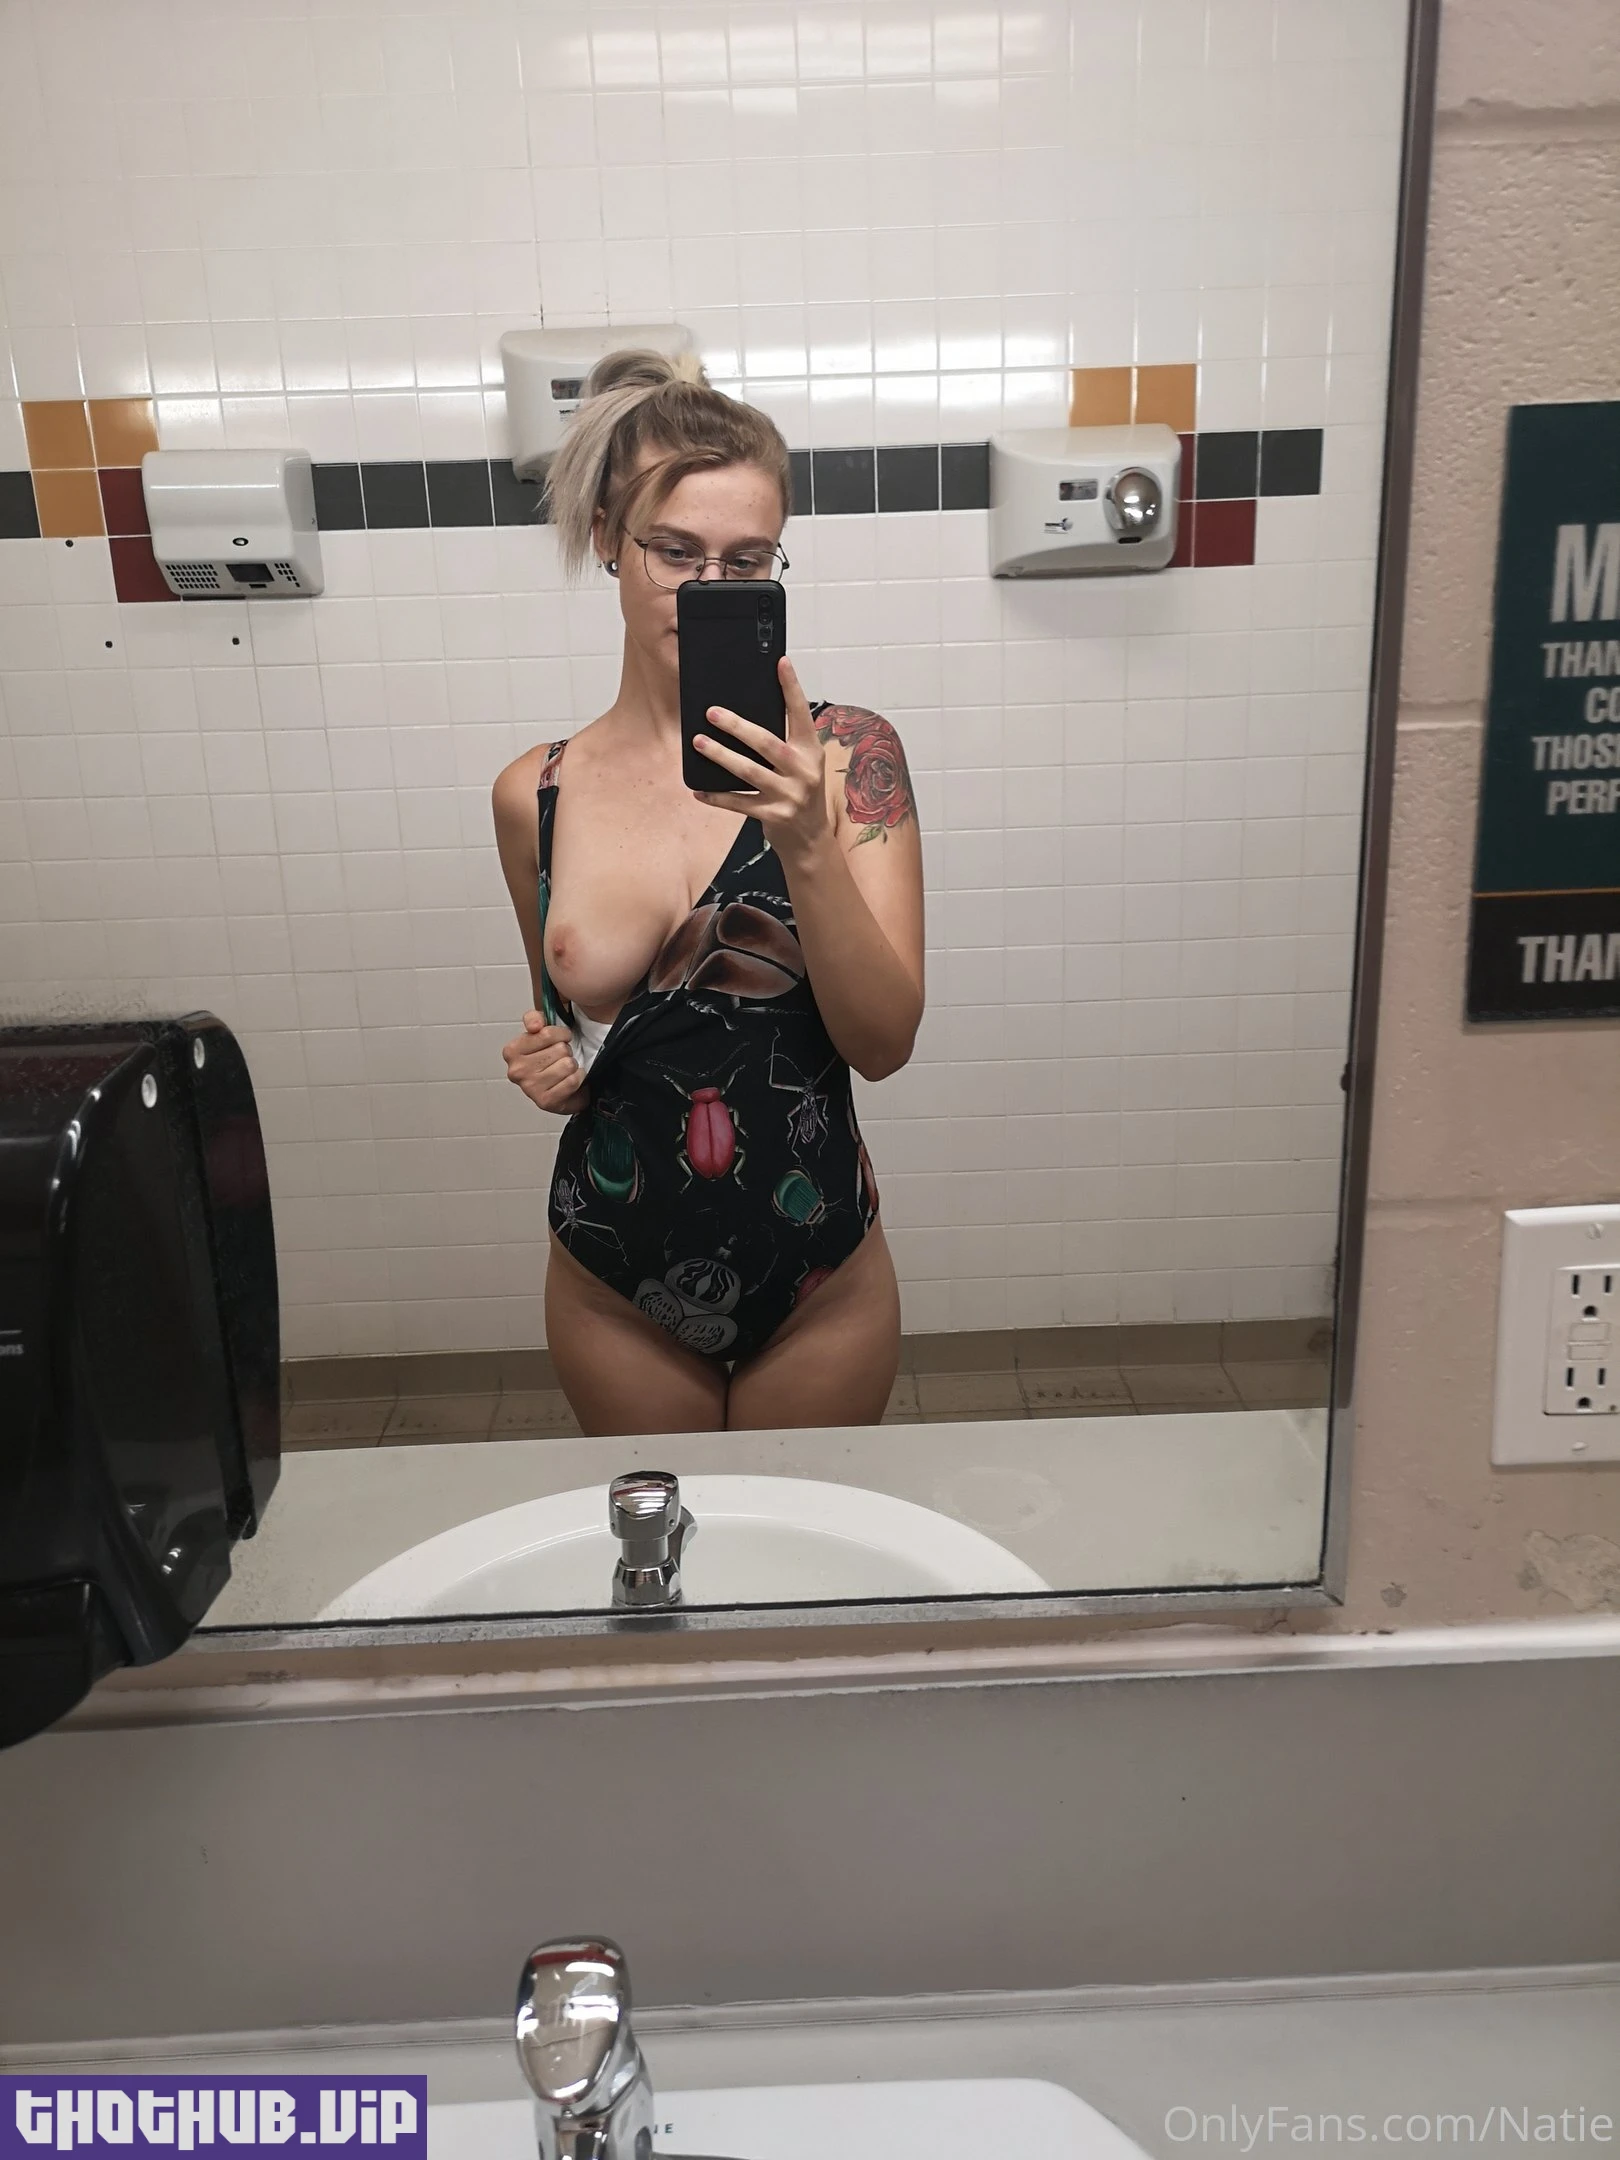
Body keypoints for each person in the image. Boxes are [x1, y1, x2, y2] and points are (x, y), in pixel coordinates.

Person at [492, 349, 924, 1436]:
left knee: (801, 1544)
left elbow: (882, 1043)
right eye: (675, 552)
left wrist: (807, 840)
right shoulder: (535, 792)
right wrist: (555, 1068)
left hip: (818, 1275)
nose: (708, 591)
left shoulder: (850, 757)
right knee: (661, 1545)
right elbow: (575, 1033)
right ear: (608, 537)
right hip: (612, 1278)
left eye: (747, 561)